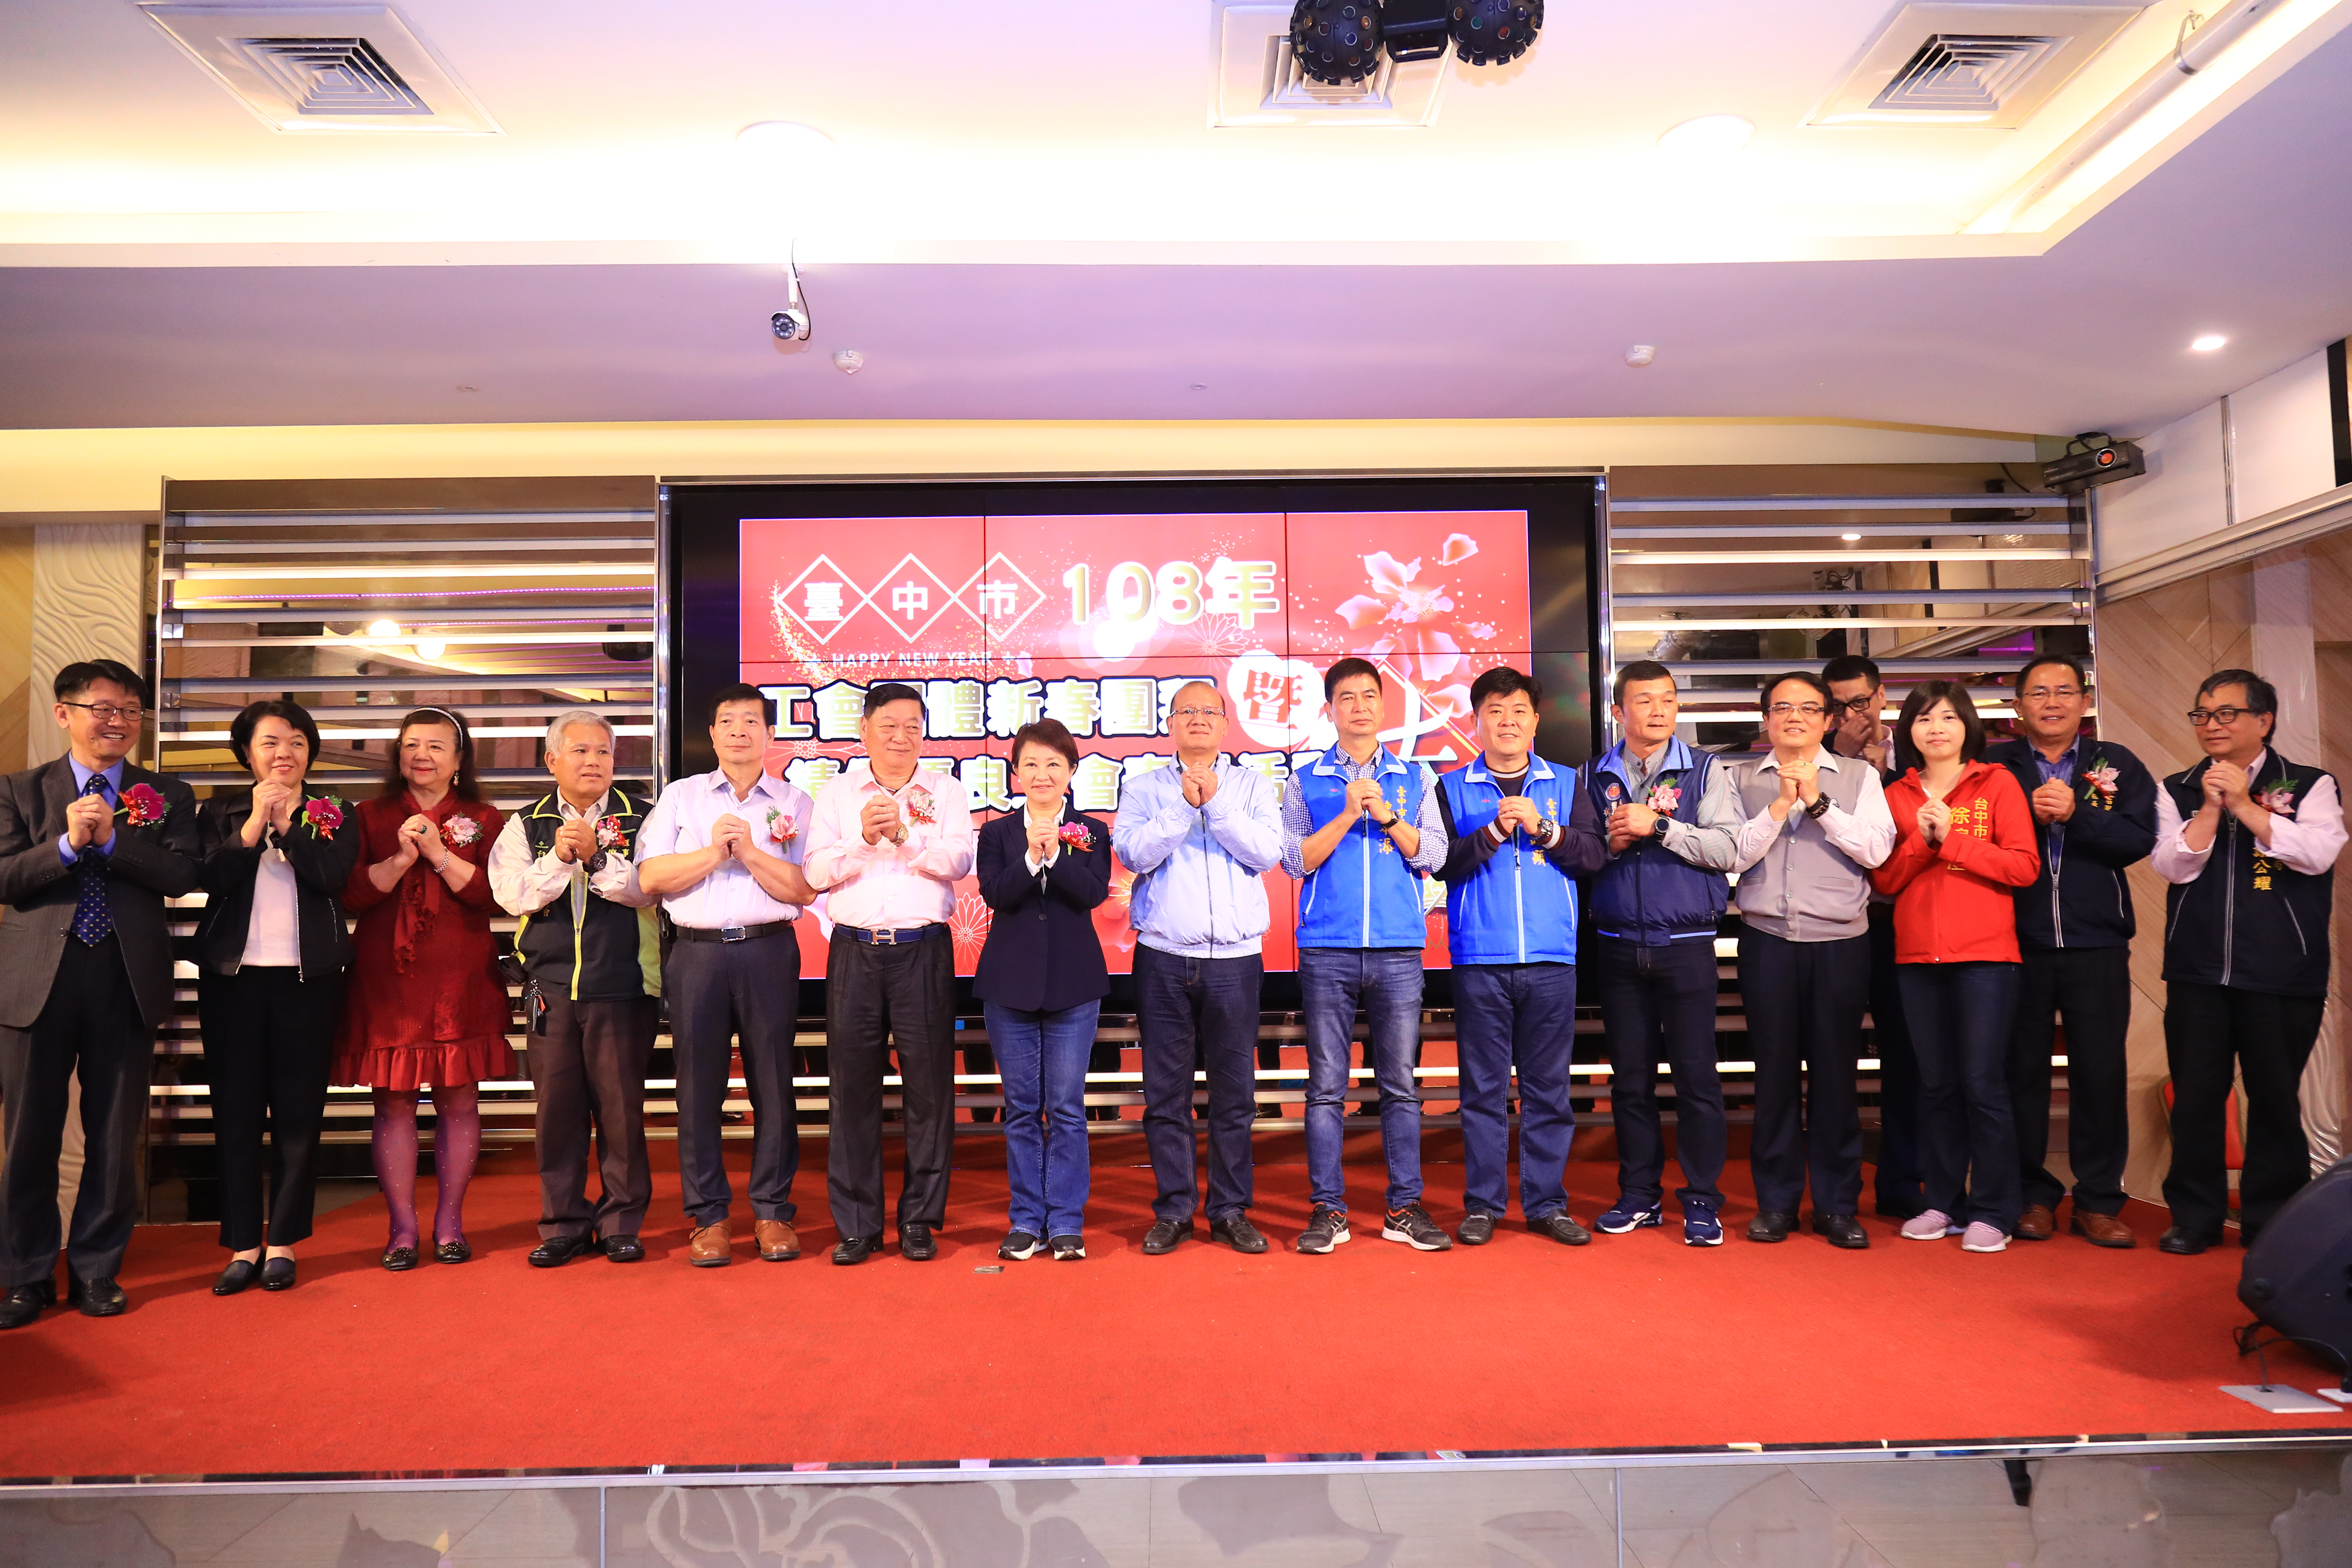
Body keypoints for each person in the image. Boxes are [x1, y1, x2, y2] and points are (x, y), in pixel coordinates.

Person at [0, 661, 200, 1328]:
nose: (118, 722)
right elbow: (4, 877)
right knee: (29, 1134)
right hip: (38, 983)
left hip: (125, 979)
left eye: (131, 711)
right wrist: (65, 845)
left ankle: (95, 1269)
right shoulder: (19, 791)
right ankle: (26, 1274)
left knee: (115, 1137)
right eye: (103, 708)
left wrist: (114, 843)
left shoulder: (166, 794)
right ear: (65, 713)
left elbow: (182, 874)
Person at [2150, 669, 2346, 1254]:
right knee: (2197, 1099)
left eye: (2226, 713)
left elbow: (2318, 854)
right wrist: (2212, 809)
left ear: (2264, 720)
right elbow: (2170, 864)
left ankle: (2271, 1222)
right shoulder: (2178, 788)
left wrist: (2245, 804)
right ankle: (2196, 1218)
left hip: (2283, 973)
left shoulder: (2311, 785)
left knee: (2275, 1100)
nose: (2212, 725)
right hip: (2197, 971)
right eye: (2203, 715)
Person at [637, 685, 815, 1267]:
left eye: (751, 721)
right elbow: (651, 879)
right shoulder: (681, 797)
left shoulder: (796, 802)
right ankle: (709, 1216)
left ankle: (773, 1211)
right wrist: (715, 853)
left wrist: (752, 852)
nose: (740, 730)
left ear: (770, 735)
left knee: (774, 1084)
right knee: (698, 1089)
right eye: (728, 721)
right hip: (697, 955)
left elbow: (805, 889)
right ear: (712, 734)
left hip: (769, 950)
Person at [1984, 654, 2156, 1249]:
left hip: (2097, 943)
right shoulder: (1996, 766)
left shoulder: (2116, 762)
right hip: (2015, 940)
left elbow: (2139, 839)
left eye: (2064, 691)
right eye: (2038, 693)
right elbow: (1979, 837)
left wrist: (2076, 814)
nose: (2052, 702)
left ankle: (2099, 1200)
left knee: (2100, 1073)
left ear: (2084, 703)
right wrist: (2029, 821)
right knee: (2020, 1073)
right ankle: (2031, 1196)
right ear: (2017, 708)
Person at [1280, 657, 1450, 1254]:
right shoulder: (1305, 780)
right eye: (1347, 698)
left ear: (1384, 705)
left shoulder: (1416, 776)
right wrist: (1350, 812)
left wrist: (1387, 814)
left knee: (1399, 1084)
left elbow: (1434, 854)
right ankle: (1329, 1210)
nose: (1359, 706)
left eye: (1369, 696)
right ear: (1329, 710)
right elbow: (1294, 860)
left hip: (1399, 949)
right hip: (1327, 948)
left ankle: (1404, 1207)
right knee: (1327, 1086)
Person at [803, 682, 976, 1264]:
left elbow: (959, 860)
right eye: (889, 726)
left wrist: (904, 836)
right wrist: (863, 839)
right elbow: (816, 873)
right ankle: (858, 1225)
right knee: (852, 1089)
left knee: (930, 1090)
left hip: (923, 950)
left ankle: (920, 1220)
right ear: (864, 731)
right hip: (854, 951)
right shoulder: (836, 793)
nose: (902, 737)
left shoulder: (946, 791)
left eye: (912, 727)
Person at [1434, 666, 1607, 1246]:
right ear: (1476, 721)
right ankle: (1483, 1205)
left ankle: (1546, 1203)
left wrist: (1546, 830)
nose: (1506, 722)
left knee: (1548, 1091)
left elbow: (1593, 856)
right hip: (1479, 959)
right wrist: (1489, 835)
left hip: (1552, 959)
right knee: (1483, 1093)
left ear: (1535, 721)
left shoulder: (1566, 782)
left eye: (1518, 712)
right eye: (1495, 711)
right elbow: (1439, 863)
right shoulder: (1450, 787)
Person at [334, 708, 511, 1271]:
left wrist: (439, 854)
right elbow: (351, 895)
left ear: (459, 759)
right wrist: (401, 858)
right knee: (393, 1100)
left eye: (436, 746)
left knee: (460, 1097)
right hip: (388, 978)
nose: (422, 755)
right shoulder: (368, 815)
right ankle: (403, 1230)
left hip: (460, 975)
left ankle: (451, 1225)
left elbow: (494, 895)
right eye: (412, 745)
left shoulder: (485, 818)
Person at [192, 700, 360, 1295]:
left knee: (298, 1114)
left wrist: (289, 825)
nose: (284, 753)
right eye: (270, 742)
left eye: (296, 742)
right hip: (231, 980)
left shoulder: (335, 811)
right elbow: (210, 878)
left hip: (308, 981)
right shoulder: (218, 810)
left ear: (310, 752)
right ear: (247, 753)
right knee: (235, 1112)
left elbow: (333, 877)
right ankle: (243, 1245)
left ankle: (284, 1241)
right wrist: (253, 825)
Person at [1725, 672, 1896, 1249]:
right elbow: (1732, 856)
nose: (1793, 717)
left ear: (1827, 719)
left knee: (1835, 1076)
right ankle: (1776, 1204)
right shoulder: (1740, 778)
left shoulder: (1859, 776)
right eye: (1781, 708)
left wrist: (1818, 803)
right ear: (1766, 720)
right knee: (1773, 1077)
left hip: (1840, 944)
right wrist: (1780, 806)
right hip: (1767, 940)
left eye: (1807, 708)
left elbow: (1877, 849)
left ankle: (1837, 1206)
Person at [1113, 680, 1283, 1256]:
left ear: (1226, 724)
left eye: (1209, 711)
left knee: (1234, 1096)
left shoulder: (1252, 786)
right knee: (1166, 1096)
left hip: (1235, 961)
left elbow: (1266, 853)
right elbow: (1133, 854)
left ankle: (1230, 1210)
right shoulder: (1143, 788)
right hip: (1163, 957)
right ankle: (1174, 1210)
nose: (1198, 719)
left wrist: (1215, 806)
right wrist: (1182, 810)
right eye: (1186, 711)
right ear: (1170, 722)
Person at [1870, 682, 2039, 1253]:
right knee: (1936, 1086)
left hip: (1986, 958)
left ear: (1968, 725)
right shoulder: (1897, 793)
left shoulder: (1997, 783)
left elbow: (2023, 867)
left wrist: (1954, 841)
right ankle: (1942, 1201)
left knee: (1983, 1085)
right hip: (1918, 958)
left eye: (1947, 717)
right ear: (1909, 731)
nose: (1936, 728)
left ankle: (1995, 1209)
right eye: (1924, 719)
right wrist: (1924, 841)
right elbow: (1885, 879)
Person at [490, 710, 662, 1267]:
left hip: (624, 984)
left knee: (621, 1111)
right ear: (552, 761)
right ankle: (563, 1222)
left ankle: (621, 1222)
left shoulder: (644, 817)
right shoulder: (526, 823)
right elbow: (512, 895)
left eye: (603, 752)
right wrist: (561, 858)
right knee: (557, 1113)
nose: (593, 761)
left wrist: (596, 856)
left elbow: (647, 889)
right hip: (551, 988)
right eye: (581, 751)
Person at [1581, 660, 1741, 1246]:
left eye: (1668, 700)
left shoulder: (1705, 769)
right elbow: (1578, 854)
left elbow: (1729, 849)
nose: (1658, 710)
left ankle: (1701, 1199)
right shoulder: (1591, 775)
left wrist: (1661, 828)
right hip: (1618, 947)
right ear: (1618, 711)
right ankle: (1639, 1195)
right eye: (1644, 701)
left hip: (1687, 945)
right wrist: (1608, 843)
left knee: (1698, 1079)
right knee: (1630, 1082)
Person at [973, 719, 1112, 1261]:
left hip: (1074, 985)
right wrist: (1032, 857)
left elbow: (1093, 893)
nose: (1042, 774)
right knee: (1022, 1108)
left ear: (1071, 772)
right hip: (1009, 985)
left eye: (1054, 764)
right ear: (1015, 773)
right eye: (1030, 763)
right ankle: (1027, 1219)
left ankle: (1067, 1221)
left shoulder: (1090, 831)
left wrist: (1056, 854)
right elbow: (996, 894)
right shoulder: (998, 834)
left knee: (1068, 1107)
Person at [1824, 652, 1925, 1220]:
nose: (1850, 715)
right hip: (1836, 927)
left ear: (1882, 697)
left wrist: (1879, 770)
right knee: (1832, 1057)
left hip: (1900, 924)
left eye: (1860, 702)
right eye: (1837, 706)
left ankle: (1902, 1181)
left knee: (1907, 1057)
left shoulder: (1920, 752)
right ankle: (1833, 1192)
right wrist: (1842, 760)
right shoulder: (1815, 760)